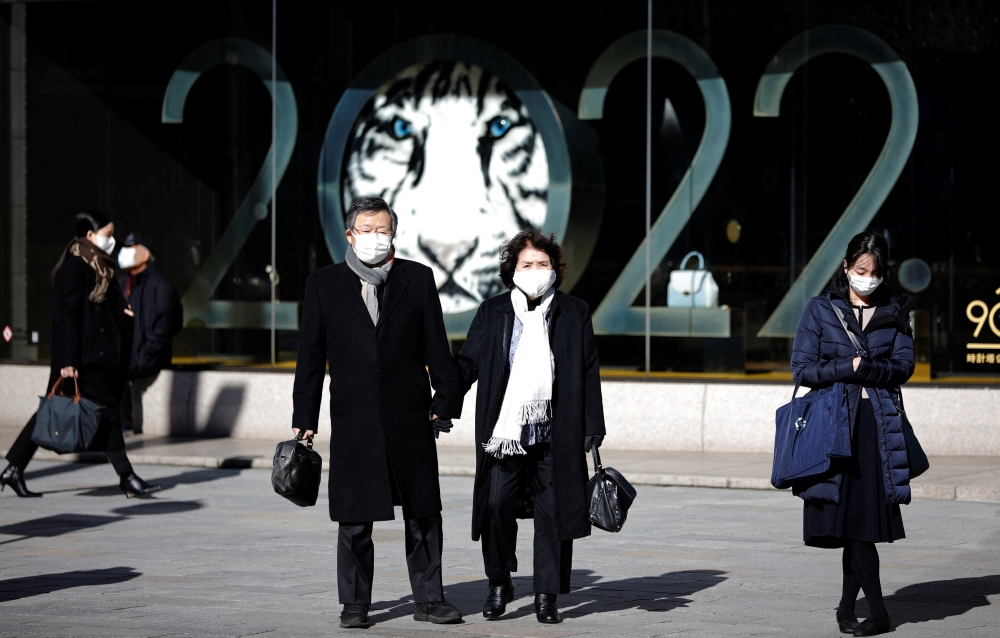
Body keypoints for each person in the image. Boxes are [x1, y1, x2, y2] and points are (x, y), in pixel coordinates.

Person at [291, 197, 464, 629]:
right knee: (354, 516)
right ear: (349, 235)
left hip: (411, 415)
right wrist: (304, 418)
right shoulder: (322, 284)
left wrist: (445, 400)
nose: (374, 237)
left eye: (382, 229)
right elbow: (310, 359)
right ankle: (355, 603)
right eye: (365, 230)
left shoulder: (417, 279)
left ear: (393, 234)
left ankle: (429, 599)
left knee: (423, 512)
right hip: (353, 419)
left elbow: (436, 347)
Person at [455, 231, 606, 624]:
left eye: (544, 265)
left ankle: (546, 595)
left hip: (558, 429)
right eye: (528, 265)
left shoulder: (574, 311)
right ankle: (499, 581)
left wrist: (593, 425)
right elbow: (467, 363)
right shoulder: (493, 312)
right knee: (495, 503)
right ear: (512, 270)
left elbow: (589, 370)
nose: (536, 272)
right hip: (505, 432)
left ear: (555, 270)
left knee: (552, 513)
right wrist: (442, 402)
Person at [791, 230, 914, 637]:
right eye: (861, 270)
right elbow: (803, 369)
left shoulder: (895, 312)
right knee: (849, 523)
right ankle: (864, 609)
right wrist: (848, 368)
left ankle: (861, 609)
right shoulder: (820, 310)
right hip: (834, 428)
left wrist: (870, 370)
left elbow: (903, 367)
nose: (868, 278)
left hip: (876, 429)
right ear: (846, 268)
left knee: (860, 524)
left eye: (875, 272)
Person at [0, 210, 162, 499]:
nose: (112, 240)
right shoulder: (76, 266)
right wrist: (68, 363)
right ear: (90, 235)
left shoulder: (100, 265)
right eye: (108, 234)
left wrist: (123, 314)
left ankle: (13, 468)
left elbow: (103, 309)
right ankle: (127, 477)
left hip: (94, 356)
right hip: (80, 360)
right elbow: (67, 317)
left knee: (51, 412)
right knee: (108, 413)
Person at [116, 232, 182, 435]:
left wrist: (143, 356)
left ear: (145, 255)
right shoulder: (120, 283)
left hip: (147, 357)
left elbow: (166, 326)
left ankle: (124, 424)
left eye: (131, 249)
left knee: (121, 372)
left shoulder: (161, 286)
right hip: (126, 353)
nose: (124, 254)